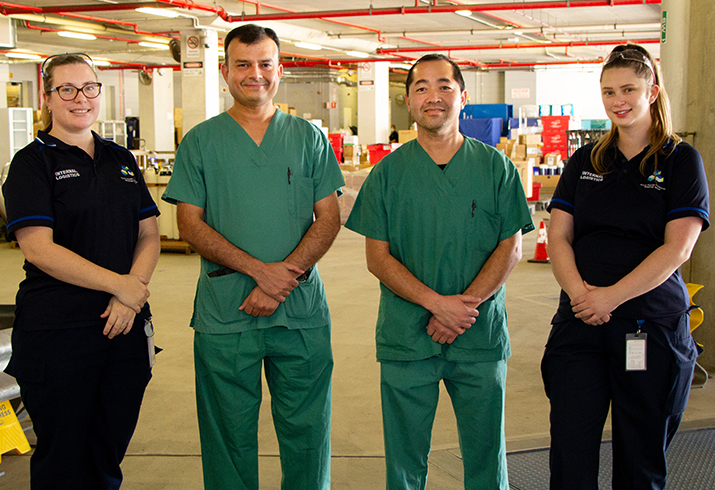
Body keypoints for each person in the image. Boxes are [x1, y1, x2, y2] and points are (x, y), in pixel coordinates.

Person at [162, 24, 344, 490]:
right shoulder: (201, 142)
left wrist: (283, 278)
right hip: (227, 312)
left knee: (308, 434)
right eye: (242, 64)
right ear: (225, 72)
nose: (254, 74)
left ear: (280, 69)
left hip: (299, 312)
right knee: (228, 438)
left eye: (265, 63)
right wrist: (260, 273)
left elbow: (328, 218)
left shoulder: (308, 138)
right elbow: (190, 225)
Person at [345, 54, 534, 490]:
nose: (434, 96)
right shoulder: (387, 174)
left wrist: (463, 309)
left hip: (478, 336)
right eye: (422, 88)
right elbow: (378, 257)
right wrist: (437, 305)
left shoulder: (495, 168)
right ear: (408, 102)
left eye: (445, 86)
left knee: (487, 455)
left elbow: (512, 245)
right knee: (405, 460)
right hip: (407, 339)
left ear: (463, 97)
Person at [542, 43, 710, 490]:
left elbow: (678, 248)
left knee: (641, 456)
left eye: (629, 89)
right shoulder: (586, 160)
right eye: (608, 91)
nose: (618, 100)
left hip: (649, 327)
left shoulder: (680, 161)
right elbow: (558, 236)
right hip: (581, 326)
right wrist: (582, 296)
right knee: (570, 452)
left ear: (652, 92)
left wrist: (609, 297)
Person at [1, 53, 160, 489]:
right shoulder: (32, 163)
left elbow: (149, 234)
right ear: (47, 98)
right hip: (59, 332)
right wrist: (122, 287)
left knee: (108, 451)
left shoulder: (120, 158)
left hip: (124, 330)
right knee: (63, 456)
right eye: (66, 89)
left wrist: (133, 292)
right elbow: (39, 249)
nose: (80, 98)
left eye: (89, 87)